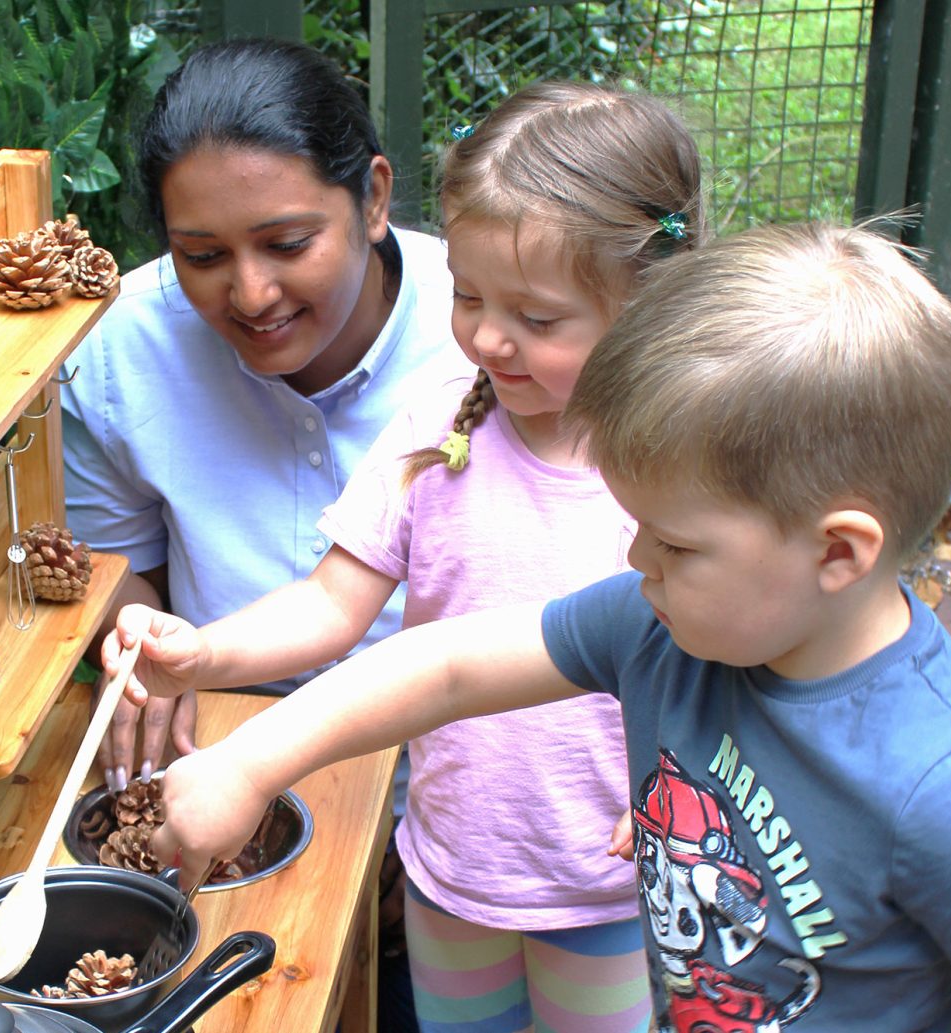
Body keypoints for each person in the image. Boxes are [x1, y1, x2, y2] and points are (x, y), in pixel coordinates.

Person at [119, 221, 951, 1031]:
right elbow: (449, 664)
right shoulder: (667, 624)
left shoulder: (942, 789)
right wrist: (249, 764)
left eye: (671, 541)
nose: (633, 562)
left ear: (838, 553)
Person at [102, 80, 708, 1031]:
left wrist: (691, 773)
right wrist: (203, 651)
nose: (488, 337)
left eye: (538, 319)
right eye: (468, 296)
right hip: (450, 872)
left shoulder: (685, 469)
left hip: (607, 888)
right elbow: (333, 604)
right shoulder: (439, 419)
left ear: (647, 302)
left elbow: (734, 654)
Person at [60, 37, 468, 790]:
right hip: (214, 752)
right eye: (203, 257)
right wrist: (139, 653)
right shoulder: (119, 353)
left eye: (287, 243)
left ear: (373, 199)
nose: (251, 294)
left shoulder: (490, 338)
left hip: (458, 776)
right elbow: (116, 569)